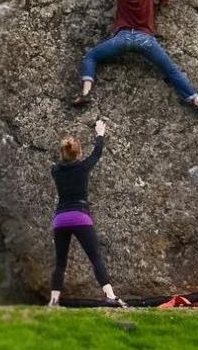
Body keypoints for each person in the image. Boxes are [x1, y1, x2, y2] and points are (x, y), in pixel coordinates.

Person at [48, 119, 126, 308]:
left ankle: (53, 301)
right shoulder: (83, 167)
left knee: (60, 263)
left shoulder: (55, 171)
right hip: (79, 216)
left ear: (62, 153)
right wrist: (100, 133)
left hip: (60, 219)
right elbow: (97, 153)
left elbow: (64, 162)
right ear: (79, 153)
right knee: (95, 258)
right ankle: (110, 295)